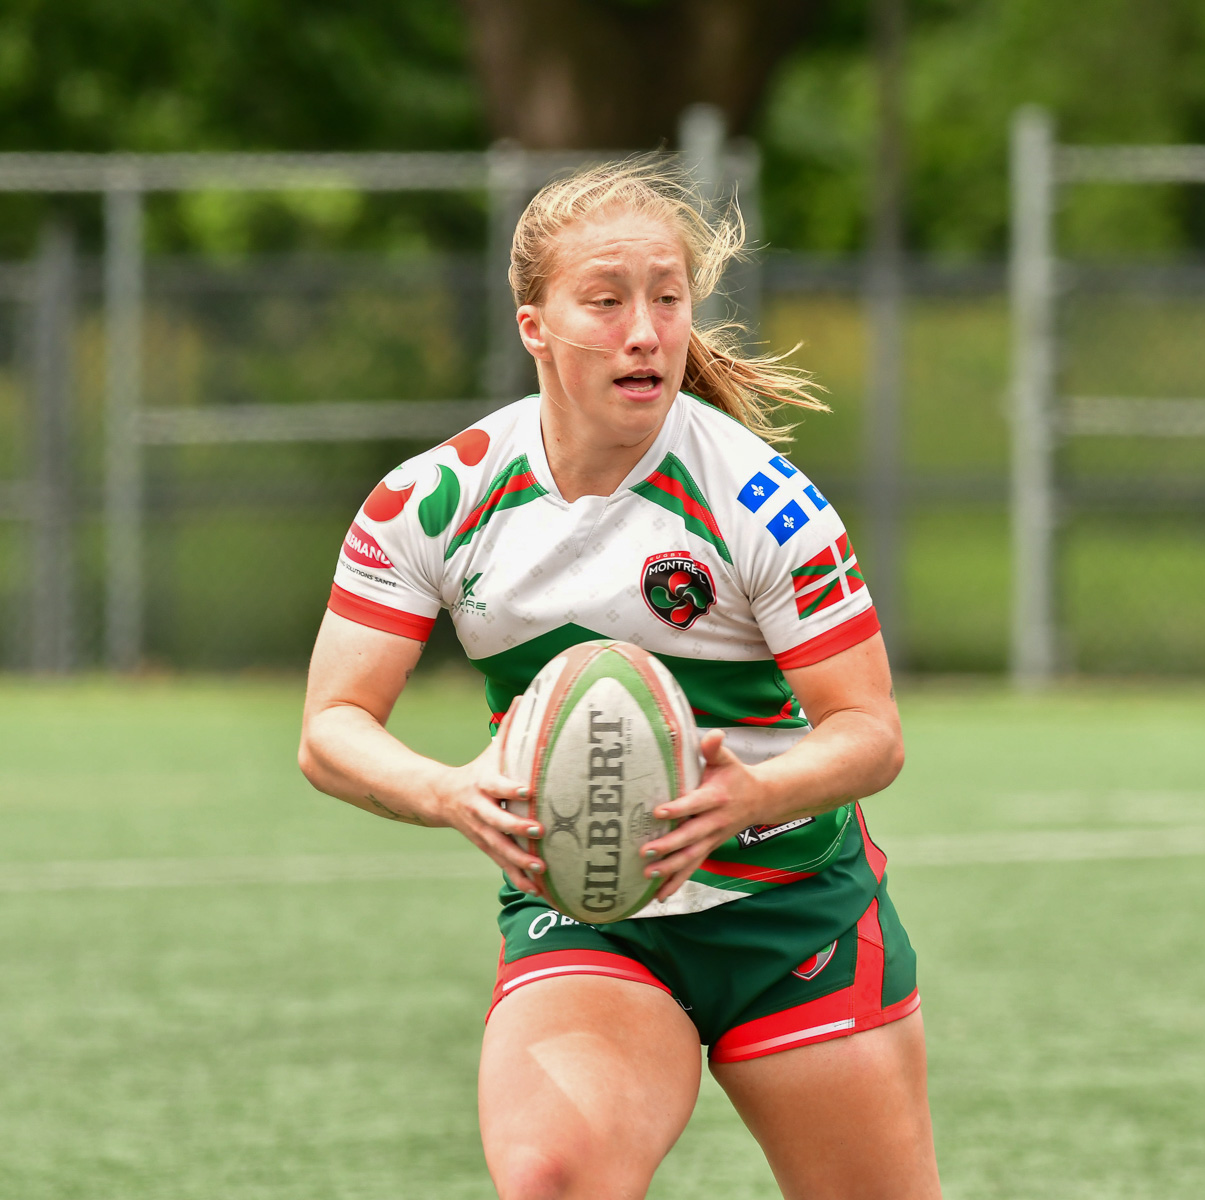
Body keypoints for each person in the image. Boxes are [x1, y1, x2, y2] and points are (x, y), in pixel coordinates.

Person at [298, 159, 940, 1200]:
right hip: (590, 914)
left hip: (791, 914)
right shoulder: (432, 499)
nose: (644, 330)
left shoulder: (762, 502)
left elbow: (870, 732)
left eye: (668, 299)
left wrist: (755, 793)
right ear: (534, 326)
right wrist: (451, 792)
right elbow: (331, 725)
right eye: (605, 301)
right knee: (552, 1178)